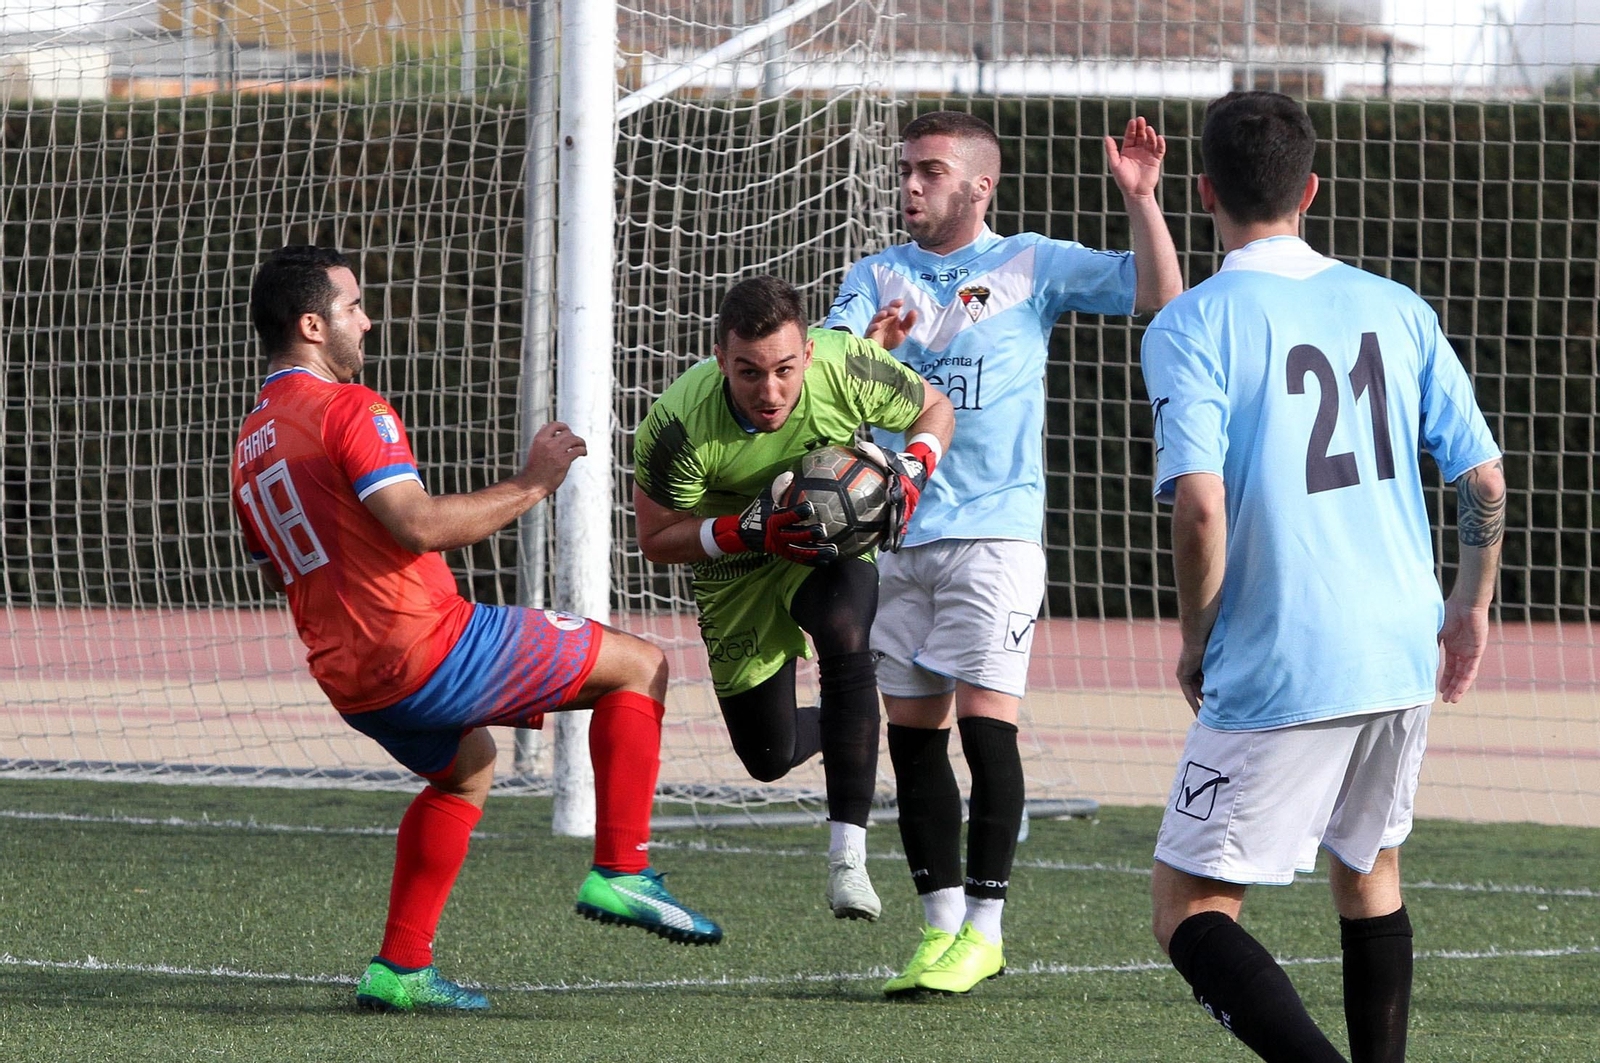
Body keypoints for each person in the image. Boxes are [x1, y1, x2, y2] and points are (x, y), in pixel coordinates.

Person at [231, 245, 722, 1015]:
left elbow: (276, 568)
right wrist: (534, 481)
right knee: (641, 665)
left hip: (350, 679)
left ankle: (401, 967)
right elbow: (418, 523)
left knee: (467, 770)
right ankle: (622, 870)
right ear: (312, 325)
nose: (367, 320)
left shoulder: (250, 442)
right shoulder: (349, 407)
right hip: (425, 646)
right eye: (353, 306)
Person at [1138, 92, 1505, 1063]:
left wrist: (1196, 638)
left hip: (1282, 649)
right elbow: (1482, 478)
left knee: (1187, 905)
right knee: (1368, 868)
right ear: (1310, 191)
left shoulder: (1189, 323)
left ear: (1205, 192)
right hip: (1399, 642)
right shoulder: (1398, 307)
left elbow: (1200, 505)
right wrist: (1469, 605)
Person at [824, 110, 1183, 995]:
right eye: (905, 170)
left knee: (987, 727)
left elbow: (1158, 292)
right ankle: (940, 927)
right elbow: (828, 373)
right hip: (896, 531)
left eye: (930, 171)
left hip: (996, 533)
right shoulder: (874, 275)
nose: (910, 185)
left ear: (980, 185)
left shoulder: (1031, 262)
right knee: (913, 740)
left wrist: (1142, 199)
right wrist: (872, 348)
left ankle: (986, 929)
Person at [632, 274, 954, 921]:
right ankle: (848, 719)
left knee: (846, 634)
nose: (770, 392)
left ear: (808, 353)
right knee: (768, 755)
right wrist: (746, 530)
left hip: (825, 543)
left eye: (784, 369)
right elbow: (656, 538)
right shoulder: (677, 425)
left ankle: (848, 861)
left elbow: (935, 408)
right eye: (748, 372)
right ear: (720, 359)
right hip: (735, 564)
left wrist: (915, 468)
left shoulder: (848, 366)